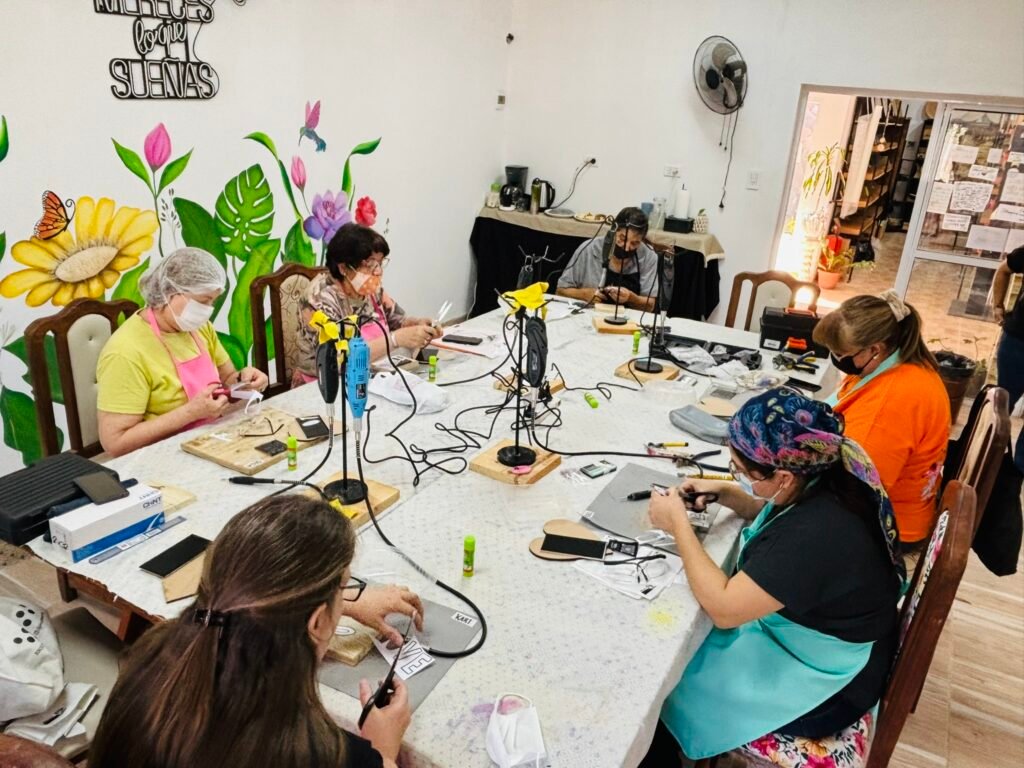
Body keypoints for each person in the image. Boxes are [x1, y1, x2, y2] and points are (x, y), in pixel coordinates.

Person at [642, 388, 904, 764]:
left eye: (740, 470)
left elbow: (724, 609)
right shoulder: (826, 468)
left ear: (782, 476)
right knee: (684, 650)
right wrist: (724, 492)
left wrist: (677, 525)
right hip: (827, 639)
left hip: (826, 684)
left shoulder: (815, 532)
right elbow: (770, 506)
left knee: (668, 682)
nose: (736, 475)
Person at [89, 494, 425, 768]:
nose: (347, 597)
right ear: (318, 622)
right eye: (344, 588)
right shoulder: (318, 752)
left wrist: (337, 603)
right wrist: (383, 749)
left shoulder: (152, 656)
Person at [97, 248, 270, 457]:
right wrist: (190, 413)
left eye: (213, 301)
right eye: (203, 301)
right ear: (169, 293)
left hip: (210, 439)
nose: (208, 310)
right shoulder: (125, 352)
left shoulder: (197, 327)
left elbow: (227, 380)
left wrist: (245, 382)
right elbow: (116, 443)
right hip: (161, 455)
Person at [812, 290, 950, 544]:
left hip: (886, 528)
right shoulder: (901, 367)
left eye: (840, 353)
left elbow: (854, 490)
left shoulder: (893, 401)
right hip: (892, 508)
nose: (836, 359)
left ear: (875, 349)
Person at [294, 223, 440, 385]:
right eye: (370, 264)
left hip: (372, 374)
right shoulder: (318, 299)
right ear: (343, 268)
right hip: (327, 385)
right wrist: (395, 339)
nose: (378, 271)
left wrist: (418, 325)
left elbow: (398, 320)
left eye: (380, 263)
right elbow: (339, 360)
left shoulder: (371, 288)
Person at [556, 206, 658, 311]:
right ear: (613, 231)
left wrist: (631, 298)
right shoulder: (589, 249)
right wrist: (584, 294)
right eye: (622, 239)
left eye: (635, 243)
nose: (627, 248)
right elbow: (560, 291)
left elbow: (650, 306)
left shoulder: (649, 257)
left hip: (629, 319)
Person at [991, 245, 1024, 472]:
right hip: (1018, 343)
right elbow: (1004, 269)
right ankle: (987, 460)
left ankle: (1016, 474)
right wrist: (997, 306)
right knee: (999, 407)